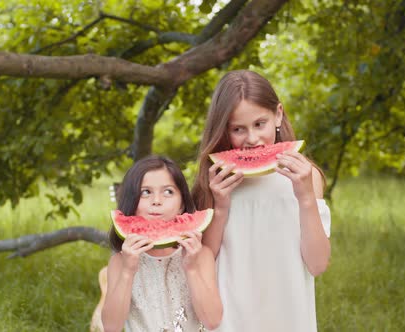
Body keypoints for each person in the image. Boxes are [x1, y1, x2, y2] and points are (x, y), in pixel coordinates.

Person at [191, 70, 332, 331]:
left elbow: (318, 264)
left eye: (260, 124)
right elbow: (204, 260)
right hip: (229, 318)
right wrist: (220, 206)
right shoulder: (216, 180)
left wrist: (306, 199)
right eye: (238, 129)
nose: (253, 139)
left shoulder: (306, 176)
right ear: (223, 130)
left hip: (288, 315)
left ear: (278, 114)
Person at [101, 155, 223, 332]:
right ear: (131, 201)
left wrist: (192, 268)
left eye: (168, 192)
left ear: (182, 204)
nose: (157, 200)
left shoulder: (201, 255)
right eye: (146, 192)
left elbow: (213, 321)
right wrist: (127, 271)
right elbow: (111, 327)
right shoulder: (120, 262)